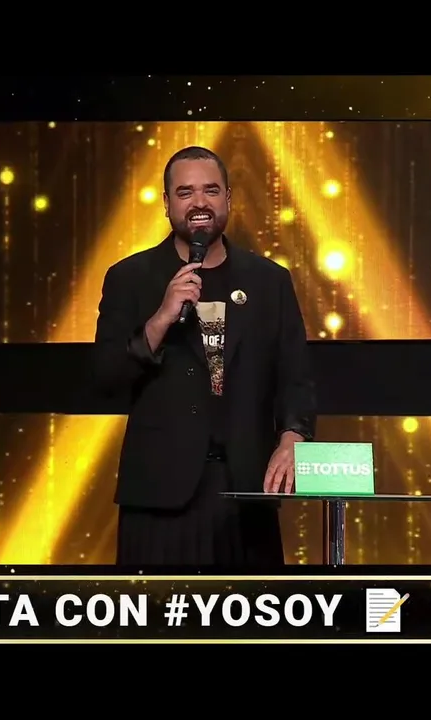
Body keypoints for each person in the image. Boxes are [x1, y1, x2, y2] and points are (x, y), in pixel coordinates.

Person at [93, 146, 316, 566]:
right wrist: (161, 318)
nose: (199, 203)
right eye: (185, 192)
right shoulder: (130, 277)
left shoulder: (269, 281)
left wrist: (292, 440)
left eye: (211, 190)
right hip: (160, 497)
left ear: (227, 198)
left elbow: (295, 378)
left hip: (247, 491)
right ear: (167, 203)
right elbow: (106, 377)